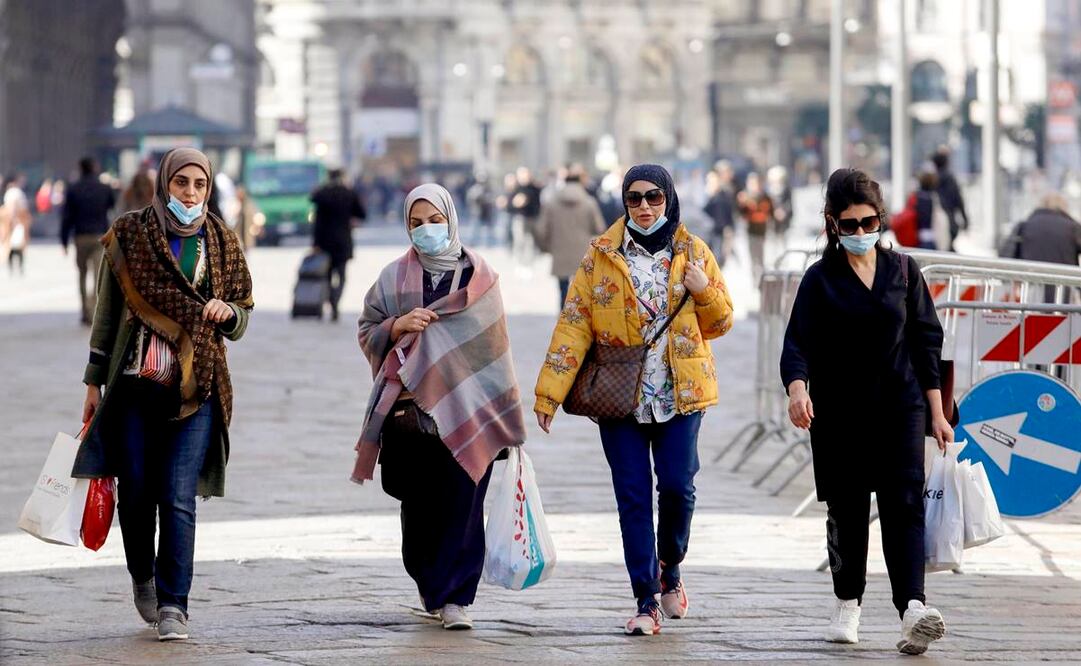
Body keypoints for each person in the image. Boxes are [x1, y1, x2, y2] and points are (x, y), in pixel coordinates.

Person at [534, 164, 734, 636]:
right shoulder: (600, 254)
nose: (644, 207)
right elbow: (574, 324)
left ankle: (671, 564)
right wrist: (549, 393)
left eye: (654, 197)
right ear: (623, 201)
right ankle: (646, 599)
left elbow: (722, 322)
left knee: (678, 487)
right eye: (634, 198)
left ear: (668, 199)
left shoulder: (693, 251)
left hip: (681, 394)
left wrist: (703, 292)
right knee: (632, 497)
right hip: (618, 398)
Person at [71, 148, 254, 642]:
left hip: (196, 391)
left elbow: (242, 313)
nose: (190, 193)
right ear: (164, 184)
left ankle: (175, 605)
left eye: (199, 184)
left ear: (209, 189)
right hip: (133, 386)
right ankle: (142, 576)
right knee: (135, 493)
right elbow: (107, 315)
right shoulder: (130, 234)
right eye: (181, 183)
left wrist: (227, 313)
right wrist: (93, 382)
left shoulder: (222, 242)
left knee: (177, 498)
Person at [779, 168, 951, 655]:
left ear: (881, 219)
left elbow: (926, 343)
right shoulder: (819, 280)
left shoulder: (904, 271)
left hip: (902, 405)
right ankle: (847, 603)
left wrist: (937, 414)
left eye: (869, 221)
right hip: (838, 412)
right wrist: (797, 390)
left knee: (904, 505)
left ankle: (913, 609)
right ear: (832, 224)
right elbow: (796, 345)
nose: (860, 233)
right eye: (849, 224)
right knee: (848, 510)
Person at [354, 183, 526, 631]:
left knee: (465, 505)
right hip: (408, 414)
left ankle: (457, 598)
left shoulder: (480, 278)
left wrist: (504, 411)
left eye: (435, 220)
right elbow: (367, 328)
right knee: (418, 507)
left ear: (451, 219)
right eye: (417, 223)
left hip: (470, 410)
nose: (427, 230)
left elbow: (494, 349)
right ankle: (431, 584)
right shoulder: (392, 278)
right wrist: (396, 326)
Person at [534, 170, 607, 306]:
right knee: (581, 287)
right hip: (582, 251)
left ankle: (563, 314)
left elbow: (540, 229)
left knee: (562, 288)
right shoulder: (589, 202)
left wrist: (546, 246)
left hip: (559, 250)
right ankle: (579, 317)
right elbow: (599, 227)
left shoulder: (551, 202)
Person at [62, 157, 117, 325]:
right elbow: (112, 206)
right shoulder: (104, 188)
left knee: (82, 273)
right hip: (100, 236)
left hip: (80, 236)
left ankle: (85, 310)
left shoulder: (73, 189)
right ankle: (94, 309)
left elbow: (67, 217)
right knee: (98, 275)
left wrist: (63, 240)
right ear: (95, 167)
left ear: (80, 168)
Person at [310, 168, 366, 321]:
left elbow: (318, 222)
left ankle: (330, 300)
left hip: (325, 242)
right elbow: (362, 213)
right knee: (341, 275)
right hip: (343, 241)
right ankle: (335, 301)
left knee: (327, 275)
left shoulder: (322, 195)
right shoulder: (348, 194)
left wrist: (315, 243)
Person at [1000, 193, 1081, 266]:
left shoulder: (1024, 226)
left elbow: (1005, 254)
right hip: (1065, 279)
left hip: (1031, 278)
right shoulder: (1073, 228)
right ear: (1064, 207)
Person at [737, 171, 774, 285]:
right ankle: (755, 280)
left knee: (761, 257)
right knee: (753, 257)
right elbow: (741, 214)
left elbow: (770, 212)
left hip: (762, 231)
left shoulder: (765, 197)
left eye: (755, 183)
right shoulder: (745, 196)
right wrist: (742, 204)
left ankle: (761, 280)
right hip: (750, 231)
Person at [932, 149, 968, 251]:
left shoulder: (931, 180)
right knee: (948, 248)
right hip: (950, 219)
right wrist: (965, 218)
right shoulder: (950, 179)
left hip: (935, 221)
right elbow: (958, 200)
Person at [703, 161, 736, 268]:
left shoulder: (724, 195)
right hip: (706, 234)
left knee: (718, 260)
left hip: (720, 233)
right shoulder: (705, 197)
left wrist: (729, 230)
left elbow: (729, 214)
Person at [509, 166, 542, 269]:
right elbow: (510, 205)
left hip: (532, 217)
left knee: (530, 241)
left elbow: (538, 203)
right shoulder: (516, 188)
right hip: (519, 218)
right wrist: (515, 203)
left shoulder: (535, 188)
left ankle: (529, 264)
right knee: (519, 240)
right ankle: (519, 262)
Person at [3, 173, 31, 275]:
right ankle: (16, 267)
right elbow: (12, 207)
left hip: (17, 220)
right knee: (15, 245)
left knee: (16, 245)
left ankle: (14, 267)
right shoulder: (15, 192)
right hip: (16, 221)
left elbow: (13, 207)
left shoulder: (13, 192)